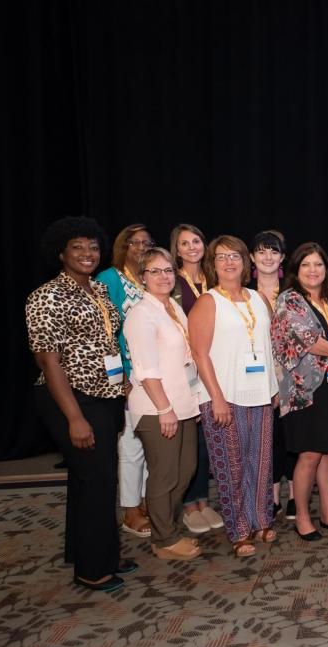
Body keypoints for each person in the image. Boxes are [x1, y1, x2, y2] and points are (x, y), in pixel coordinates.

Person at [26, 216, 135, 591]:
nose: (88, 254)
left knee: (91, 478)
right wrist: (74, 417)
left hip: (104, 394)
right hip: (70, 398)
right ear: (61, 253)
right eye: (78, 248)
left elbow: (106, 345)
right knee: (96, 480)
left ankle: (92, 551)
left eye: (93, 247)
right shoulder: (46, 296)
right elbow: (48, 360)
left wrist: (120, 383)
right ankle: (93, 569)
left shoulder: (99, 291)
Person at [188, 235, 279, 557]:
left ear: (246, 263)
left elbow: (267, 348)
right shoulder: (208, 302)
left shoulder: (258, 299)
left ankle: (261, 519)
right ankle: (239, 530)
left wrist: (273, 388)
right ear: (213, 265)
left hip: (260, 394)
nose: (229, 262)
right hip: (225, 396)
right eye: (222, 257)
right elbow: (199, 354)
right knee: (231, 466)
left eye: (235, 256)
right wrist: (217, 398)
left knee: (260, 463)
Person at [272, 242, 328, 541]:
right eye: (306, 265)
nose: (313, 271)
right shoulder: (289, 301)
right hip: (306, 390)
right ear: (296, 270)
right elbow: (308, 340)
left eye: (318, 264)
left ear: (327, 269)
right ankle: (301, 516)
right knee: (310, 454)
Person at [123, 248, 203, 560]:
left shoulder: (172, 308)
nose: (163, 276)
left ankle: (167, 528)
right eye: (154, 271)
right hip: (157, 408)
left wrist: (190, 402)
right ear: (142, 277)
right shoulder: (141, 314)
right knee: (164, 475)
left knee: (185, 472)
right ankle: (164, 540)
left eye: (168, 270)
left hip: (183, 405)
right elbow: (145, 369)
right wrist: (164, 408)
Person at [96, 224, 153, 539]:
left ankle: (144, 502)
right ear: (123, 246)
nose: (142, 247)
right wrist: (118, 378)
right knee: (131, 443)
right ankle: (130, 509)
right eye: (135, 242)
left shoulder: (149, 278)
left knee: (151, 442)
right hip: (128, 375)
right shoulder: (109, 279)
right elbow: (104, 335)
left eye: (147, 242)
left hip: (153, 374)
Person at [169, 223, 225, 536]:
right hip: (190, 368)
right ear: (176, 250)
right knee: (194, 441)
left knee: (209, 442)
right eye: (185, 243)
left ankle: (205, 501)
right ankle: (190, 504)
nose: (192, 247)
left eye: (197, 241)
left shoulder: (215, 278)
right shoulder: (173, 282)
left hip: (220, 366)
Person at [249, 230, 298, 521]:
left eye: (274, 252)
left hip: (292, 377)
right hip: (256, 377)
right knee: (267, 440)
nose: (268, 257)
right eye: (262, 251)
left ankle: (294, 496)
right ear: (253, 258)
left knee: (292, 437)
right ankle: (272, 497)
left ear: (282, 257)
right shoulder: (242, 293)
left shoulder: (293, 291)